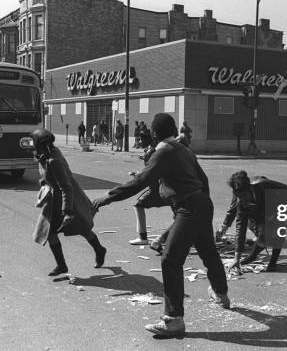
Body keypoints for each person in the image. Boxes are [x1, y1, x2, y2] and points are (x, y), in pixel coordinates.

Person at [92, 113, 229, 337]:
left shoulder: (163, 151)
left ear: (154, 134)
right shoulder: (184, 149)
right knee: (208, 252)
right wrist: (199, 206)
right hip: (201, 204)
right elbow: (202, 182)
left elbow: (140, 182)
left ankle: (173, 320)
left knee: (170, 259)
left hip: (189, 207)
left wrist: (108, 196)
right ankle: (221, 295)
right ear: (174, 129)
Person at [30, 129, 106, 276]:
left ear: (39, 144)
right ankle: (64, 264)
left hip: (67, 199)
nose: (32, 146)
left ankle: (97, 250)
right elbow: (50, 176)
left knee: (75, 228)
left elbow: (66, 187)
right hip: (55, 198)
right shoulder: (48, 154)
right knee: (58, 230)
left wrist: (67, 211)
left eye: (33, 143)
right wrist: (44, 181)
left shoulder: (53, 161)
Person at [215, 171, 287, 273]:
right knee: (259, 231)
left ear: (249, 189)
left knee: (276, 230)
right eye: (238, 197)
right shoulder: (240, 200)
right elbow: (240, 228)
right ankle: (255, 252)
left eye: (243, 196)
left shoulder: (263, 185)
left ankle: (271, 261)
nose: (241, 200)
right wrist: (236, 258)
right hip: (259, 211)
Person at [128, 129, 171, 246]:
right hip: (161, 187)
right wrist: (139, 173)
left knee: (138, 204)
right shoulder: (151, 150)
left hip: (157, 188)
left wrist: (138, 175)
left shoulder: (152, 151)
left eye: (142, 139)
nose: (140, 141)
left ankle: (143, 237)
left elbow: (151, 171)